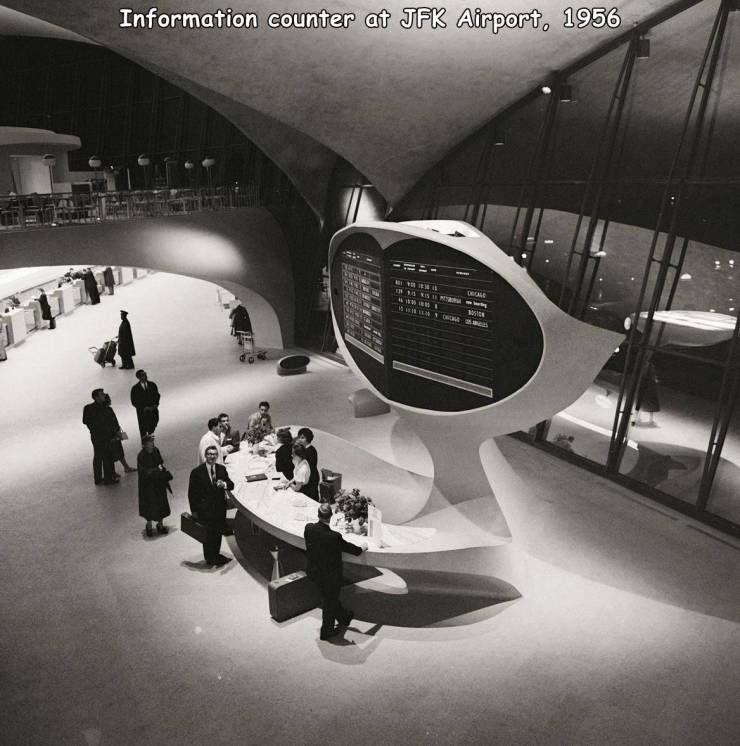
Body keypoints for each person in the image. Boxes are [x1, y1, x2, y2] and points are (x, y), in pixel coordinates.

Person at [304, 502, 366, 640]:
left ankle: (344, 617)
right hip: (330, 576)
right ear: (330, 517)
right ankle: (326, 632)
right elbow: (351, 549)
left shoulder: (309, 529)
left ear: (318, 515)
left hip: (315, 571)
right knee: (329, 601)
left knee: (329, 598)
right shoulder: (333, 537)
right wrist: (362, 548)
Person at [188, 445, 234, 566]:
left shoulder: (221, 469)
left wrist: (223, 484)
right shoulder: (197, 472)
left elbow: (231, 485)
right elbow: (192, 494)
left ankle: (216, 555)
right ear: (205, 455)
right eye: (209, 454)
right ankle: (209, 557)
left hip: (219, 508)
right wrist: (194, 511)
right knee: (208, 534)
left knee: (218, 532)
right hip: (205, 510)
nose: (212, 456)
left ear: (217, 456)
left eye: (214, 454)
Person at [82, 388, 119, 485]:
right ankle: (107, 478)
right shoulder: (94, 408)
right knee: (104, 456)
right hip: (99, 435)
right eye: (102, 394)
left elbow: (113, 422)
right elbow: (87, 421)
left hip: (101, 435)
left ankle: (102, 478)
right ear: (96, 397)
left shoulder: (95, 408)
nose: (104, 395)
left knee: (101, 456)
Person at [137, 435, 172, 537]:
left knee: (161, 503)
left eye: (152, 443)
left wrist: (160, 468)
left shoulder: (156, 450)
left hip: (158, 483)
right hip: (147, 486)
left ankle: (160, 525)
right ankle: (149, 526)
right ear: (144, 445)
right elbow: (143, 472)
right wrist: (156, 470)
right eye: (149, 444)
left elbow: (160, 462)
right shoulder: (141, 456)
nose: (152, 446)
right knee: (149, 505)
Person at [104, 393, 137, 474]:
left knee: (115, 452)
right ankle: (125, 467)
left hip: (112, 434)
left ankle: (117, 470)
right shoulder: (108, 410)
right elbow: (113, 422)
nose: (110, 400)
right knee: (118, 452)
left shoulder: (107, 409)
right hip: (113, 434)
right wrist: (117, 430)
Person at [130, 369, 160, 439]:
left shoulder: (152, 385)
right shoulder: (135, 388)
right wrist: (143, 408)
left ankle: (151, 438)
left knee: (153, 425)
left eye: (145, 374)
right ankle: (145, 444)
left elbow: (157, 395)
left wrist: (156, 404)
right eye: (143, 375)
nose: (145, 376)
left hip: (153, 411)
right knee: (143, 428)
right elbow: (134, 401)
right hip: (142, 413)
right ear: (139, 377)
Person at [295, 427, 319, 498]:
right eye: (299, 437)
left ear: (308, 439)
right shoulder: (306, 449)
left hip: (311, 477)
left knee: (311, 497)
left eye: (302, 438)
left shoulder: (310, 451)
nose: (300, 440)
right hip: (310, 475)